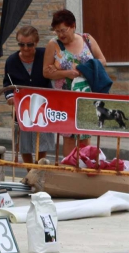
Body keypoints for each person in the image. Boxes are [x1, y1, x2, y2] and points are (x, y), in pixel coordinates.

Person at [43, 9, 107, 156]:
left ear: (73, 26)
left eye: (63, 30)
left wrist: (83, 69)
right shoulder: (53, 45)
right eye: (57, 31)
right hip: (65, 99)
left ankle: (84, 171)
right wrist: (66, 73)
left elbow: (103, 61)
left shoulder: (87, 39)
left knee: (85, 137)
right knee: (69, 137)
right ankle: (70, 173)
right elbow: (46, 72)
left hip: (87, 96)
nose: (60, 34)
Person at [4, 25, 55, 167]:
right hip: (23, 108)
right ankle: (30, 172)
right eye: (21, 44)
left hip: (42, 106)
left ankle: (38, 169)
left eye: (29, 44)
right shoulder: (11, 61)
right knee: (24, 143)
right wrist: (9, 96)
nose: (25, 48)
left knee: (42, 141)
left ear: (36, 42)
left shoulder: (44, 55)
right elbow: (7, 82)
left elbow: (54, 72)